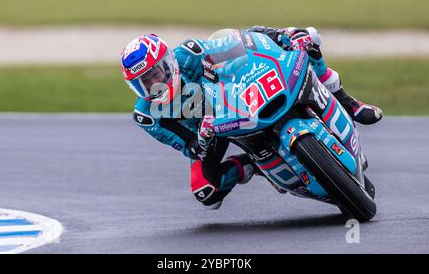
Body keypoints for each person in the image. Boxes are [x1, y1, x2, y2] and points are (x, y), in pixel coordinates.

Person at [120, 27, 383, 210]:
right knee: (206, 193)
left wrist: (282, 37)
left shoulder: (189, 53)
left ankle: (350, 104)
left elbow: (243, 42)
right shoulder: (147, 116)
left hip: (233, 101)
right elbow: (188, 146)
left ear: (169, 62)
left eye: (156, 73)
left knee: (304, 44)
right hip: (209, 133)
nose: (155, 83)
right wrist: (200, 140)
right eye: (144, 81)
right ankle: (252, 167)